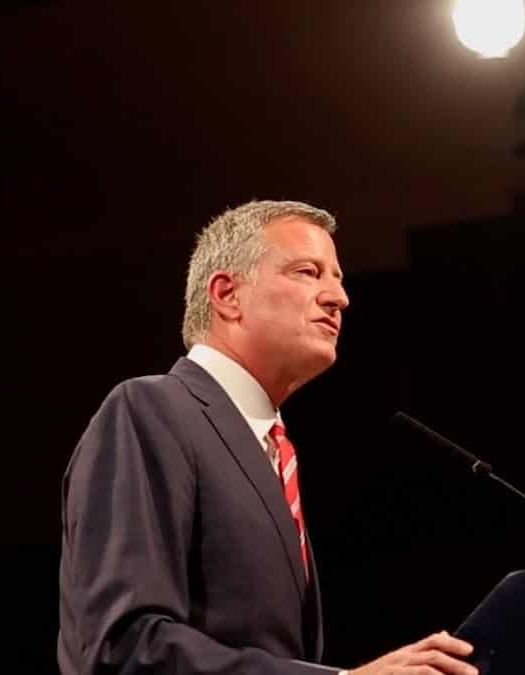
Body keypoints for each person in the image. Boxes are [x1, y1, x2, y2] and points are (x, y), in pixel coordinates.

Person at [57, 200, 477, 675]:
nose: (338, 298)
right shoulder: (151, 410)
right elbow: (124, 647)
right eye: (308, 271)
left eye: (337, 278)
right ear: (227, 295)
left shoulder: (271, 450)